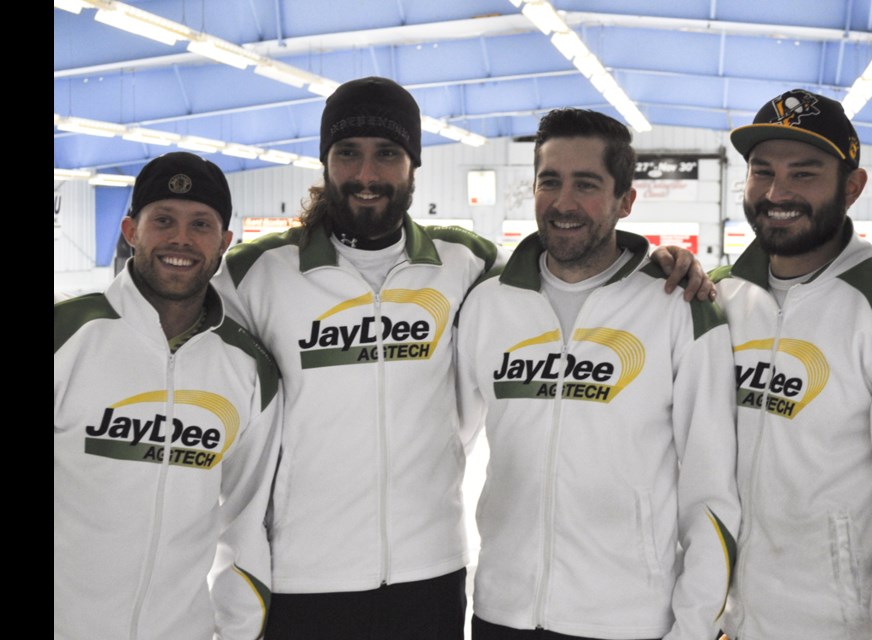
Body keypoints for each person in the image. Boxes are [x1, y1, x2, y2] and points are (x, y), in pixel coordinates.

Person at [213, 77, 715, 639]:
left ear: (414, 166)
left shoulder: (467, 264)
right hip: (304, 577)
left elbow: (573, 262)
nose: (366, 174)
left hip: (431, 575)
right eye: (347, 154)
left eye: (388, 154)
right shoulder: (254, 274)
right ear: (324, 161)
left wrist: (656, 258)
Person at [456, 108, 740, 640]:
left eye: (586, 184)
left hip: (627, 621)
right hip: (501, 612)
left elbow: (711, 488)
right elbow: (443, 445)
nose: (563, 203)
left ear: (624, 200)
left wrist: (696, 625)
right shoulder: (488, 307)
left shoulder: (677, 308)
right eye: (550, 181)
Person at [54, 152, 282, 639]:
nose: (181, 238)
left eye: (200, 224)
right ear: (130, 230)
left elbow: (247, 524)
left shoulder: (249, 369)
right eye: (163, 220)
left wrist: (240, 632)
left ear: (224, 243)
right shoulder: (67, 337)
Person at [714, 89, 872, 639]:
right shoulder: (715, 301)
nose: (777, 192)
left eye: (804, 174)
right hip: (725, 623)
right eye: (762, 171)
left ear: (853, 186)